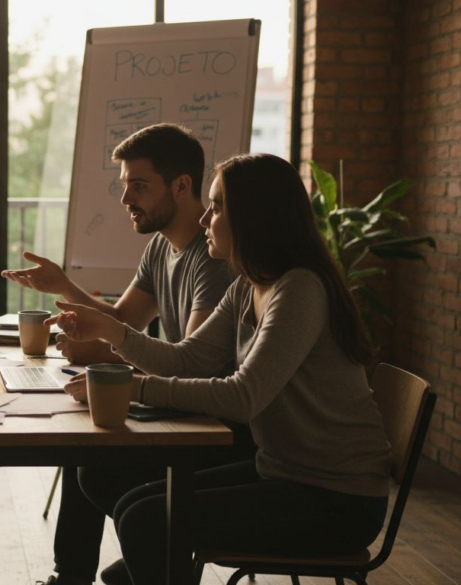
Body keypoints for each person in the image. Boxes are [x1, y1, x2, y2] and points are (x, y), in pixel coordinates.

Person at [48, 153, 391, 585]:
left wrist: (135, 387)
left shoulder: (300, 288)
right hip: (281, 469)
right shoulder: (249, 285)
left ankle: (150, 564)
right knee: (124, 497)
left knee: (144, 522)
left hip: (336, 499)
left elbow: (243, 397)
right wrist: (112, 331)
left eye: (216, 206)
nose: (204, 218)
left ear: (254, 217)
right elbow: (189, 359)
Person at [1, 124, 241, 585]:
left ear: (182, 186)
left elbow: (192, 364)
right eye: (125, 185)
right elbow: (123, 320)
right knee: (86, 448)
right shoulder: (161, 247)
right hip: (181, 403)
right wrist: (64, 285)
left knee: (93, 459)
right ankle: (101, 568)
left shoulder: (213, 260)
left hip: (210, 423)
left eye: (139, 186)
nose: (126, 198)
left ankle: (151, 552)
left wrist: (116, 362)